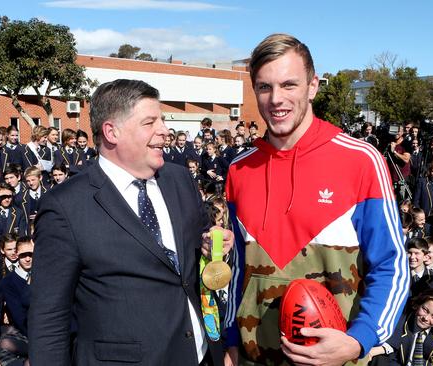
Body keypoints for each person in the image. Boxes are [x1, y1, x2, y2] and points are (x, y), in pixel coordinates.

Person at [223, 34, 408, 365]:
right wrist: (232, 340)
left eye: (289, 85)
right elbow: (239, 268)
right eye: (265, 87)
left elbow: (392, 265)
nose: (276, 99)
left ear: (313, 87)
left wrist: (359, 340)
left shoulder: (362, 160)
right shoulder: (239, 168)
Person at [29, 79, 233, 366]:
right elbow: (49, 318)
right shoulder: (65, 206)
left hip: (201, 355)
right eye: (150, 122)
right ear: (112, 132)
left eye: (161, 120)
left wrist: (212, 241)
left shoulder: (179, 180)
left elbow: (195, 248)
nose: (164, 130)